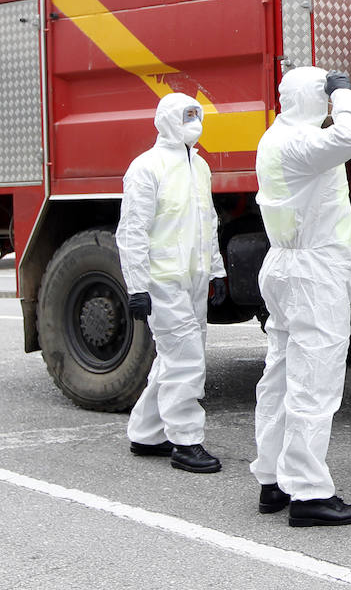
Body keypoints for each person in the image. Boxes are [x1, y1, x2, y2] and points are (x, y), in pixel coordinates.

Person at [250, 66, 351, 527]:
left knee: (279, 377)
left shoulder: (274, 137)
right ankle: (308, 493)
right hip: (312, 274)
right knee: (313, 385)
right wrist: (345, 93)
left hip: (284, 267)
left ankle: (273, 480)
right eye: (325, 94)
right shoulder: (302, 143)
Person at [117, 92, 228, 474]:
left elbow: (207, 222)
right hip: (162, 280)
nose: (194, 123)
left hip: (193, 278)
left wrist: (216, 271)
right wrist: (136, 286)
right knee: (186, 360)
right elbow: (132, 230)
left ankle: (147, 432)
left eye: (197, 115)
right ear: (166, 120)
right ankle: (186, 441)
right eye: (186, 116)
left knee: (175, 356)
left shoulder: (200, 166)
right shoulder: (147, 167)